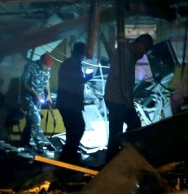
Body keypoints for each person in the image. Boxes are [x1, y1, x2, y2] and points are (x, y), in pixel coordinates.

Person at [104, 33, 154, 162]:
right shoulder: (124, 54)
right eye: (145, 49)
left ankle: (121, 153)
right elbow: (123, 80)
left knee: (133, 124)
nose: (144, 55)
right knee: (117, 131)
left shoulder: (128, 54)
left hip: (119, 98)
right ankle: (112, 160)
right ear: (140, 44)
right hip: (117, 99)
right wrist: (128, 102)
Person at [56, 42, 93, 164]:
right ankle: (68, 155)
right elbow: (75, 81)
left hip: (68, 103)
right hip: (69, 103)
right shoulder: (72, 64)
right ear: (81, 53)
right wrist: (88, 77)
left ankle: (68, 154)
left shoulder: (70, 63)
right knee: (77, 127)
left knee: (73, 129)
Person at [20, 52, 54, 152]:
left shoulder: (47, 68)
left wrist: (48, 94)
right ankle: (40, 143)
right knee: (36, 118)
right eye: (46, 66)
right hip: (29, 97)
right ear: (41, 62)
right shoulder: (30, 66)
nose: (47, 69)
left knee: (31, 121)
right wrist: (35, 94)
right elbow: (24, 83)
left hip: (39, 98)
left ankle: (24, 142)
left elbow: (46, 80)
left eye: (49, 67)